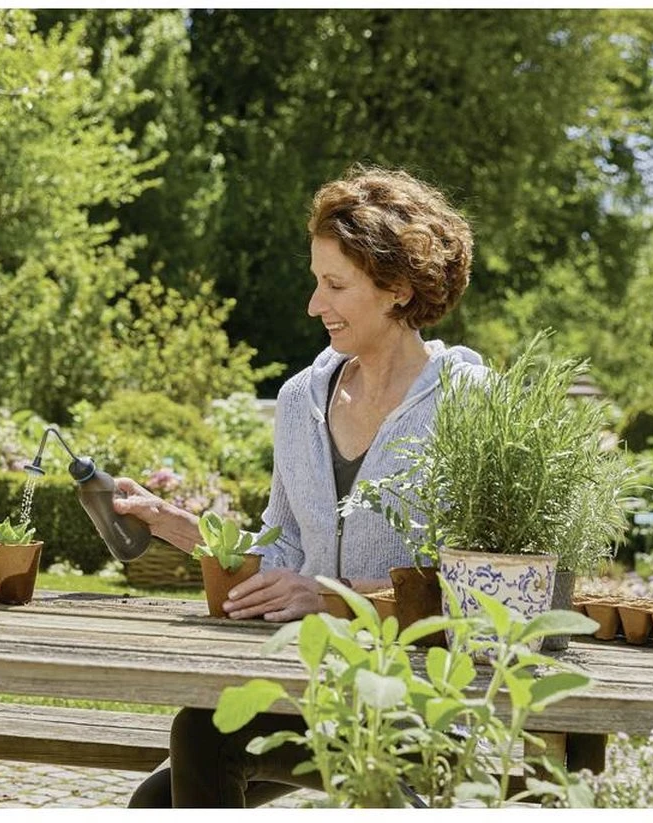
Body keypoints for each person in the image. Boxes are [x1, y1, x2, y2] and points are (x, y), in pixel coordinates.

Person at [115, 164, 487, 807]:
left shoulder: (470, 406)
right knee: (162, 791)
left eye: (335, 285)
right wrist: (172, 524)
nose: (315, 305)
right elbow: (283, 550)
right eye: (316, 281)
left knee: (202, 736)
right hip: (312, 688)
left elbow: (476, 588)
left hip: (423, 705)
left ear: (398, 288)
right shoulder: (300, 399)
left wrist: (331, 598)